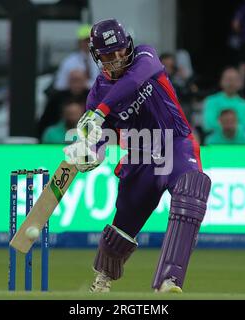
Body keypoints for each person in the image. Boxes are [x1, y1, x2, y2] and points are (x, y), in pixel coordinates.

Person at [64, 19, 211, 293]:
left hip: (175, 143)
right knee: (122, 228)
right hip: (140, 155)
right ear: (96, 57)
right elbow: (101, 141)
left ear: (129, 46)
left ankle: (170, 280)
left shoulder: (145, 57)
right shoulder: (96, 96)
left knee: (192, 191)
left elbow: (133, 81)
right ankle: (102, 280)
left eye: (120, 51)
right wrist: (90, 154)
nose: (117, 60)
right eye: (108, 56)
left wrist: (100, 112)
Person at [37, 69, 90, 138]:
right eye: (74, 80)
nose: (76, 84)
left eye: (79, 80)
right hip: (59, 136)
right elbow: (45, 121)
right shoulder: (57, 98)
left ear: (85, 81)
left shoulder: (93, 98)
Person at [203, 67, 245, 135]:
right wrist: (226, 129)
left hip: (239, 141)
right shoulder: (210, 101)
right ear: (221, 81)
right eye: (228, 79)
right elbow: (208, 125)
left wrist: (231, 130)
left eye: (234, 80)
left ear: (240, 83)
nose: (231, 83)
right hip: (216, 141)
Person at [53, 24, 99, 90]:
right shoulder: (69, 62)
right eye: (85, 40)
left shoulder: (101, 60)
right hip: (76, 98)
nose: (87, 43)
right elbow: (60, 85)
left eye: (89, 40)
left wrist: (83, 83)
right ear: (79, 42)